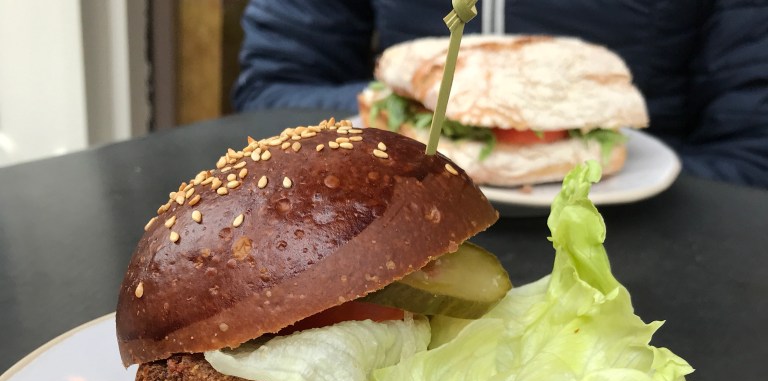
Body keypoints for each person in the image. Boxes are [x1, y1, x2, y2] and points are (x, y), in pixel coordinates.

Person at [232, 0, 768, 188]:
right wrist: (411, 106)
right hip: (392, 222)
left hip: (652, 252)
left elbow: (753, 151)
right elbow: (273, 91)